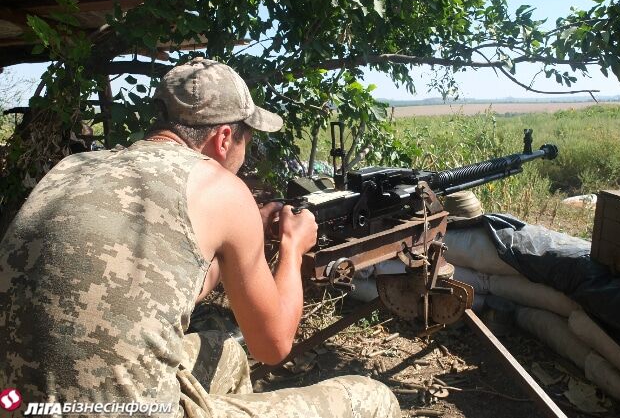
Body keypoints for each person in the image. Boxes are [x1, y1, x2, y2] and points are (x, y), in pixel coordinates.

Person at [0, 57, 400, 418]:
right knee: (373, 398)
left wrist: (249, 230)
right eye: (246, 140)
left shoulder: (75, 167)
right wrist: (293, 248)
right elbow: (274, 345)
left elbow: (171, 278)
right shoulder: (220, 186)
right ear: (224, 138)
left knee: (224, 351)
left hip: (17, 403)